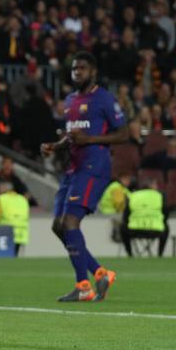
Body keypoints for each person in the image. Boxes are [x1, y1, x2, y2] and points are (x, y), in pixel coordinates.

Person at [41, 52, 128, 302]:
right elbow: (72, 137)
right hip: (72, 168)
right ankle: (100, 273)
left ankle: (83, 287)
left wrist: (90, 139)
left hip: (94, 167)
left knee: (70, 223)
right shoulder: (70, 101)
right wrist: (56, 146)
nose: (77, 72)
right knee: (59, 226)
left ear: (93, 72)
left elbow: (123, 134)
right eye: (74, 68)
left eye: (82, 68)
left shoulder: (104, 99)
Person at [120, 178, 169, 257]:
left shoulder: (133, 195)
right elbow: (166, 212)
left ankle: (130, 254)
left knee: (123, 227)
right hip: (156, 230)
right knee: (166, 227)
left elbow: (126, 215)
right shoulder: (160, 195)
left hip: (134, 230)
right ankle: (160, 254)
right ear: (151, 186)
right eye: (156, 185)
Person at [0, 181, 30, 256]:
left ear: (5, 188)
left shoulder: (2, 199)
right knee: (15, 256)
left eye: (0, 187)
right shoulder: (23, 199)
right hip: (21, 234)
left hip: (7, 233)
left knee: (5, 259)